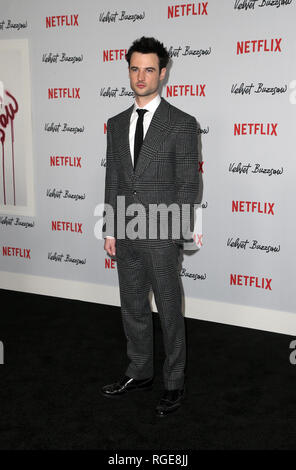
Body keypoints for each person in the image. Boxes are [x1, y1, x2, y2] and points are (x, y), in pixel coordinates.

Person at [101, 36, 200, 417]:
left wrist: (175, 235)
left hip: (161, 233)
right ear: (128, 71)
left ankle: (173, 382)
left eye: (149, 69)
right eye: (134, 68)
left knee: (170, 310)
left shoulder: (181, 123)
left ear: (162, 73)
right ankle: (139, 371)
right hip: (124, 232)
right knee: (132, 307)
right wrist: (110, 229)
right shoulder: (115, 123)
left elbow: (189, 184)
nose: (141, 76)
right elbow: (112, 177)